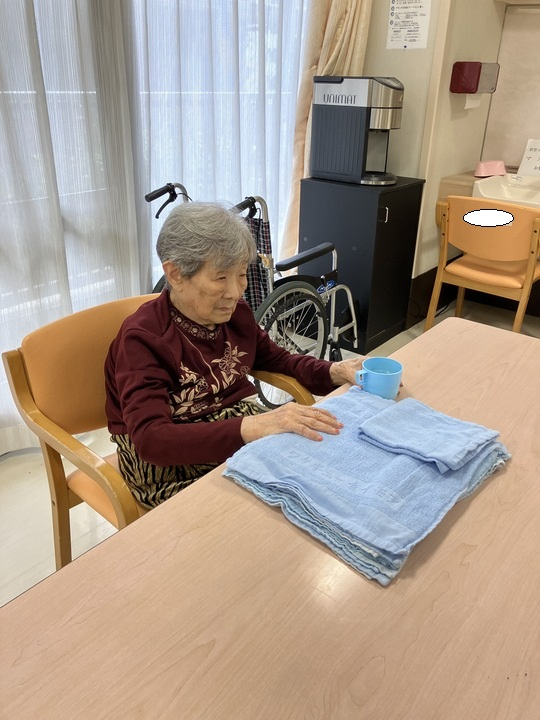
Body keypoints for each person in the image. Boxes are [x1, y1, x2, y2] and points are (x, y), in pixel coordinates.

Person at [105, 201, 364, 508]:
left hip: (231, 425)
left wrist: (335, 371)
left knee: (318, 466)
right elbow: (152, 440)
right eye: (220, 278)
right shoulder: (143, 339)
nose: (236, 292)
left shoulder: (234, 314)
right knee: (250, 510)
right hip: (166, 461)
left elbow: (278, 361)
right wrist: (255, 426)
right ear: (175, 274)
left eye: (241, 274)